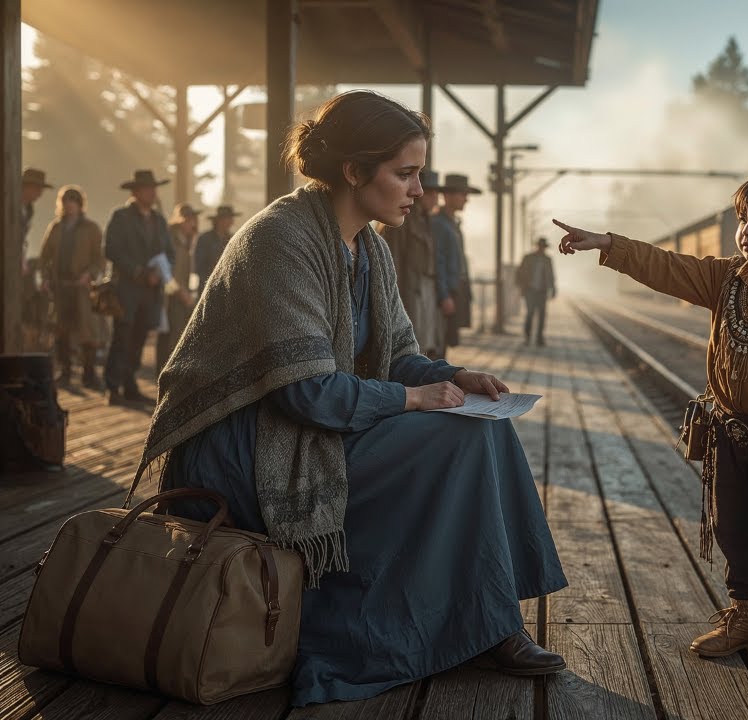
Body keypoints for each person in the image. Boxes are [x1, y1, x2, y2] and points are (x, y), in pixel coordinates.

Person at [127, 90, 567, 707]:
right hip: (246, 445)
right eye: (405, 174)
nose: (418, 190)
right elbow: (306, 392)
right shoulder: (280, 240)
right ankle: (465, 625)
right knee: (453, 439)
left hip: (313, 418)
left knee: (486, 424)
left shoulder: (370, 249)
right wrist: (415, 400)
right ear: (356, 171)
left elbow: (396, 358)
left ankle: (491, 617)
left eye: (419, 174)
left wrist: (456, 376)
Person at [554, 122, 748, 684]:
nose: (745, 232)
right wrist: (608, 244)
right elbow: (665, 266)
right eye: (743, 219)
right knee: (735, 530)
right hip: (731, 436)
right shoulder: (726, 283)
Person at [103, 169, 173, 406]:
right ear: (136, 192)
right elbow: (111, 249)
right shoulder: (120, 217)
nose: (153, 193)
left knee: (140, 338)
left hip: (151, 292)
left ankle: (130, 385)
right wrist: (139, 272)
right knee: (121, 337)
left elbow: (169, 254)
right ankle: (112, 387)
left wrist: (159, 273)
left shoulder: (160, 220)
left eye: (154, 188)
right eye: (147, 189)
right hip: (127, 289)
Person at [37, 185, 105, 389]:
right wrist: (46, 277)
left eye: (73, 201)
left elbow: (99, 258)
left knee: (87, 332)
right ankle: (65, 372)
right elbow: (44, 256)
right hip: (61, 287)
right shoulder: (56, 227)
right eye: (66, 201)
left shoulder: (91, 228)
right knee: (61, 331)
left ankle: (89, 374)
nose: (69, 205)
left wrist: (90, 274)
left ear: (80, 204)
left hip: (82, 288)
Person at [377, 170, 444, 356]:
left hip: (426, 284)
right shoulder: (401, 220)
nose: (434, 199)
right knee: (413, 339)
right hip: (411, 286)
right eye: (431, 194)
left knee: (428, 338)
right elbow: (394, 259)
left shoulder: (426, 221)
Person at [432, 173, 480, 350]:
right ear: (448, 196)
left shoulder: (452, 223)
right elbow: (438, 262)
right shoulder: (438, 224)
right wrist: (444, 295)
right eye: (463, 194)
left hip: (456, 289)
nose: (466, 199)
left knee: (447, 338)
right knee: (439, 340)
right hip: (448, 292)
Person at [156, 203, 199, 371]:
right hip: (169, 296)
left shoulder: (186, 240)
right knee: (168, 338)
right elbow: (169, 272)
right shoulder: (171, 240)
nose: (193, 224)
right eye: (190, 220)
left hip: (180, 296)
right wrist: (182, 293)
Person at [20, 168, 54, 351]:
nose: (40, 193)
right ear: (27, 187)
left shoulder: (28, 208)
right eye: (37, 188)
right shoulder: (10, 203)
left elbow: (21, 239)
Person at [515, 237, 556, 346]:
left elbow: (551, 275)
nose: (542, 249)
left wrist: (553, 289)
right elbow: (519, 272)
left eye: (543, 247)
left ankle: (539, 338)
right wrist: (521, 286)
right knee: (530, 313)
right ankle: (527, 337)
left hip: (542, 291)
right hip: (530, 290)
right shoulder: (528, 258)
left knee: (542, 315)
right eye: (541, 246)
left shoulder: (548, 260)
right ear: (537, 246)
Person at [194, 205, 240, 294]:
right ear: (219, 220)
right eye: (228, 218)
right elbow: (199, 266)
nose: (231, 221)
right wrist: (210, 283)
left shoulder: (233, 239)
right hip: (207, 288)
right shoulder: (204, 239)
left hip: (226, 290)